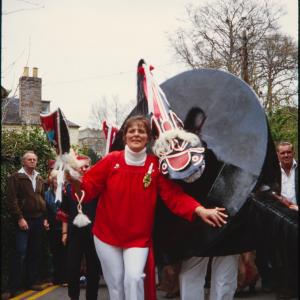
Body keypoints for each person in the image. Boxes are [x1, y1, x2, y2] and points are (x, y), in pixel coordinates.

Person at [67, 115, 228, 300]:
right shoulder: (111, 160)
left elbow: (174, 196)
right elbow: (88, 188)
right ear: (125, 136)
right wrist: (76, 182)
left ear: (149, 137)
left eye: (141, 131)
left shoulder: (155, 166)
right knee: (117, 286)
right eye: (132, 131)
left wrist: (200, 210)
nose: (136, 134)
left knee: (134, 279)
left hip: (138, 239)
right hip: (106, 236)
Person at [3, 151, 49, 299]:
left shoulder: (40, 178)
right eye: (29, 159)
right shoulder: (15, 177)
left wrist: (45, 218)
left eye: (34, 159)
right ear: (23, 162)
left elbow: (43, 199)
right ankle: (12, 287)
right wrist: (19, 218)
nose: (32, 161)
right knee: (20, 253)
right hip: (24, 219)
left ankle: (32, 282)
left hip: (38, 219)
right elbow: (12, 200)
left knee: (35, 252)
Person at [59, 155, 101, 300]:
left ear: (91, 167)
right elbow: (64, 212)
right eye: (80, 166)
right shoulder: (68, 188)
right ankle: (74, 296)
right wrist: (64, 233)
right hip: (74, 234)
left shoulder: (97, 187)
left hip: (94, 233)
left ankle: (92, 297)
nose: (83, 169)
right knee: (72, 268)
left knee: (93, 268)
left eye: (86, 166)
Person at [45, 170, 67, 286]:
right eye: (55, 179)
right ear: (51, 180)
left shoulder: (67, 193)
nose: (57, 181)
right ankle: (56, 278)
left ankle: (64, 278)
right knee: (55, 253)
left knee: (65, 253)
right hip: (52, 227)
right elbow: (45, 210)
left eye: (59, 179)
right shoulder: (46, 194)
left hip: (64, 227)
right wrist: (45, 220)